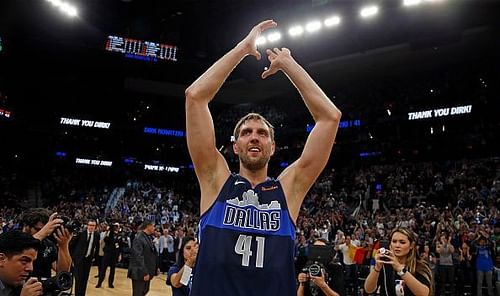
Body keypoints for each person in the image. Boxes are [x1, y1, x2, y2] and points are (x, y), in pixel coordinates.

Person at [185, 19, 342, 296]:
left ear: (272, 147)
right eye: (246, 133)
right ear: (235, 147)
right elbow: (195, 96)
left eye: (261, 133)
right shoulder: (214, 180)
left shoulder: (288, 189)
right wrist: (242, 49)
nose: (254, 137)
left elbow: (330, 117)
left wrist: (288, 64)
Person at [364, 227, 433, 296]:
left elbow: (424, 294)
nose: (397, 245)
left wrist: (400, 269)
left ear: (411, 245)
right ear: (390, 245)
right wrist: (377, 268)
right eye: (394, 241)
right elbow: (369, 289)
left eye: (402, 242)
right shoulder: (385, 263)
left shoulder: (420, 266)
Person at [20, 208, 72, 279]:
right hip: (19, 287)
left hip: (42, 287)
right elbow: (21, 247)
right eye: (39, 229)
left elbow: (62, 272)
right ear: (26, 226)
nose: (46, 233)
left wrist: (63, 246)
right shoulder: (12, 238)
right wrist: (44, 230)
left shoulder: (48, 244)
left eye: (47, 228)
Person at [0, 231, 42, 296]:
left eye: (32, 262)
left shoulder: (24, 283)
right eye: (24, 261)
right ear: (1, 259)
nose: (31, 268)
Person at [127, 220, 159, 296]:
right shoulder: (139, 238)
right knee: (138, 293)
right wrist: (144, 272)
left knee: (145, 291)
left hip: (148, 271)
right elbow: (138, 257)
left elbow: (153, 254)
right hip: (139, 273)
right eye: (153, 226)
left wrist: (156, 268)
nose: (154, 228)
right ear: (148, 226)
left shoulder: (148, 237)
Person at [70, 219, 99, 296]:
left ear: (95, 227)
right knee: (78, 279)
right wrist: (72, 257)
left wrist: (95, 258)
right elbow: (72, 245)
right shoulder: (81, 234)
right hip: (78, 259)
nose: (91, 227)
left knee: (85, 279)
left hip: (88, 260)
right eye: (90, 225)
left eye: (93, 226)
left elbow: (96, 247)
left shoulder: (96, 235)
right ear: (87, 225)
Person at [96, 223, 120, 288]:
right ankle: (99, 283)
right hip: (107, 254)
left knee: (112, 270)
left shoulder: (118, 235)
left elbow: (118, 245)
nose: (116, 228)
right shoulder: (108, 234)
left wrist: (119, 254)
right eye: (114, 227)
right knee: (103, 269)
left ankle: (110, 283)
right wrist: (108, 232)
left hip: (114, 255)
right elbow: (105, 240)